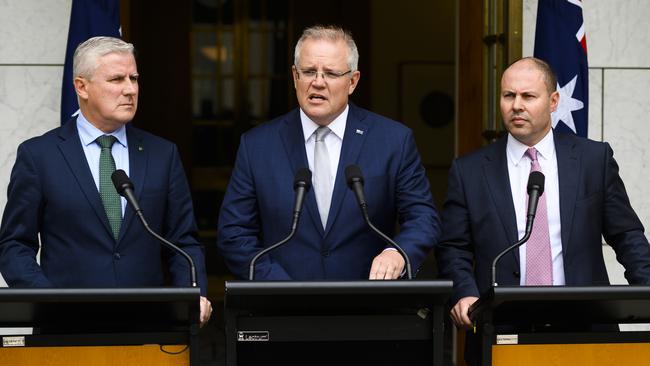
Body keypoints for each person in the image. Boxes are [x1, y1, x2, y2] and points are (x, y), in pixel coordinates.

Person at [436, 56, 650, 361]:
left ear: (553, 101)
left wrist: (646, 289)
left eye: (528, 96)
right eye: (508, 96)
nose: (516, 105)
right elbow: (453, 247)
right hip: (501, 330)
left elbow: (627, 234)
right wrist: (464, 292)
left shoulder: (592, 160)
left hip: (586, 328)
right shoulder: (469, 171)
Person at [0, 36, 212, 327]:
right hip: (65, 330)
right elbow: (14, 245)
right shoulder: (39, 156)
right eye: (116, 79)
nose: (130, 89)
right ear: (81, 87)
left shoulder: (163, 154)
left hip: (149, 329)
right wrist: (47, 300)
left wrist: (194, 295)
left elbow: (184, 242)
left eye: (134, 78)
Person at [217, 25, 440, 280]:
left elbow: (423, 218)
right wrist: (279, 286)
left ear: (353, 81)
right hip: (281, 309)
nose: (318, 82)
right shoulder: (257, 145)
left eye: (331, 74)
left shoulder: (393, 141)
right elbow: (234, 233)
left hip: (369, 306)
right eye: (309, 71)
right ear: (294, 76)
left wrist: (397, 253)